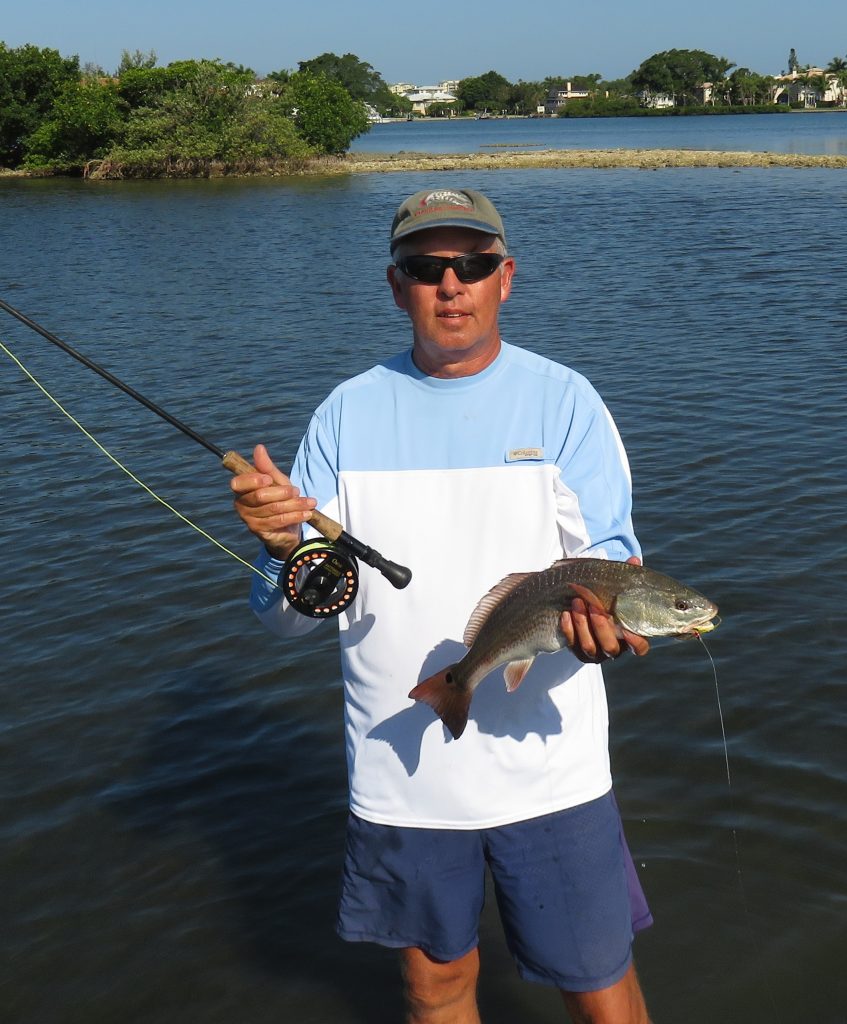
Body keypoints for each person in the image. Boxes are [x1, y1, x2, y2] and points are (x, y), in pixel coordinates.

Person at [231, 187, 654, 1024]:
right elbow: (281, 614)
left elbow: (613, 563)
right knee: (434, 987)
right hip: (402, 780)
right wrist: (285, 551)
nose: (451, 283)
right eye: (427, 268)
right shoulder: (344, 415)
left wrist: (605, 629)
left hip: (551, 775)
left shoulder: (566, 401)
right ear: (397, 287)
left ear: (507, 278)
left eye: (473, 264)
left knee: (599, 983)